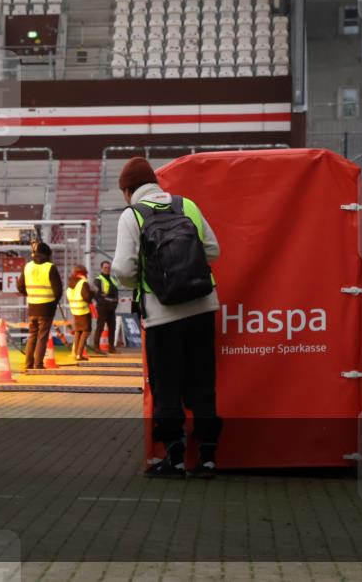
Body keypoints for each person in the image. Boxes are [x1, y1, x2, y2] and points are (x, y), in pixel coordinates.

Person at [111, 157, 222, 480]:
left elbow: (124, 269)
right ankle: (208, 458)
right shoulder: (187, 205)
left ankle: (174, 459)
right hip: (202, 307)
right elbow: (213, 250)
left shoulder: (132, 215)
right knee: (203, 382)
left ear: (127, 190)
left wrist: (151, 278)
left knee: (167, 386)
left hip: (162, 315)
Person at [17, 242, 62, 370]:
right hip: (47, 307)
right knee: (42, 336)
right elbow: (58, 290)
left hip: (32, 306)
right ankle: (38, 364)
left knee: (32, 335)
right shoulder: (50, 267)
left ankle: (28, 364)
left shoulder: (27, 266)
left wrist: (31, 295)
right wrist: (53, 302)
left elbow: (20, 286)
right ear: (47, 254)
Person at [92, 260, 120, 355]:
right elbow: (96, 295)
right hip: (102, 307)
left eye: (108, 267)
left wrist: (114, 304)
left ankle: (111, 348)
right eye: (105, 268)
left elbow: (116, 294)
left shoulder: (113, 279)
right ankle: (96, 347)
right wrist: (106, 303)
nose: (107, 269)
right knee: (100, 327)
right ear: (101, 269)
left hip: (111, 308)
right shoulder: (98, 280)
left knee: (112, 327)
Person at [66, 264, 93, 362]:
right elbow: (87, 297)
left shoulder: (71, 283)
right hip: (83, 310)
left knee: (78, 331)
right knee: (86, 331)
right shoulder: (82, 283)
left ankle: (75, 353)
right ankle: (79, 354)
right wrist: (92, 292)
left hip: (75, 310)